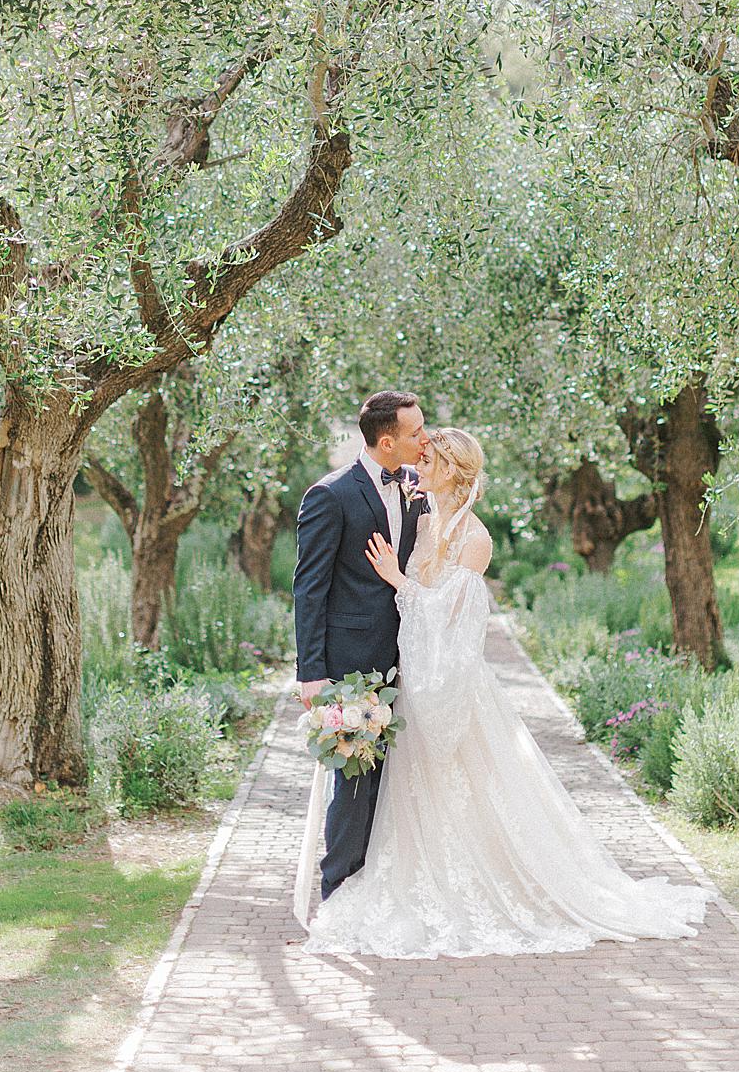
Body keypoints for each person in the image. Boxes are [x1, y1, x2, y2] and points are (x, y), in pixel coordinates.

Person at [298, 423, 712, 958]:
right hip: (413, 677)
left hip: (452, 685)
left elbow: (454, 617)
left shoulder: (475, 539)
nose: (416, 466)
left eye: (427, 460)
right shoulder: (424, 522)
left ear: (448, 470)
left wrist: (396, 580)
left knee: (466, 792)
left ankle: (476, 887)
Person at [292, 389, 429, 900]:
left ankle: (382, 889)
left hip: (413, 654)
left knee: (400, 782)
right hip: (353, 666)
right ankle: (338, 894)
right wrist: (312, 671)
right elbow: (310, 588)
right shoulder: (330, 495)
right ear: (387, 441)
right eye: (416, 433)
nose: (426, 439)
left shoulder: (421, 486)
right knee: (353, 782)